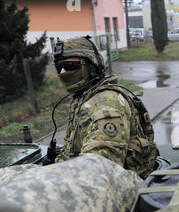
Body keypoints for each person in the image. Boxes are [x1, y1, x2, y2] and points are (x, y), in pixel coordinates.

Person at [52, 36, 158, 179]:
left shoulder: (105, 106)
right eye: (59, 67)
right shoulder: (84, 97)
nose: (63, 72)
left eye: (70, 66)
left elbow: (99, 171)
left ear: (91, 66)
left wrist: (55, 176)